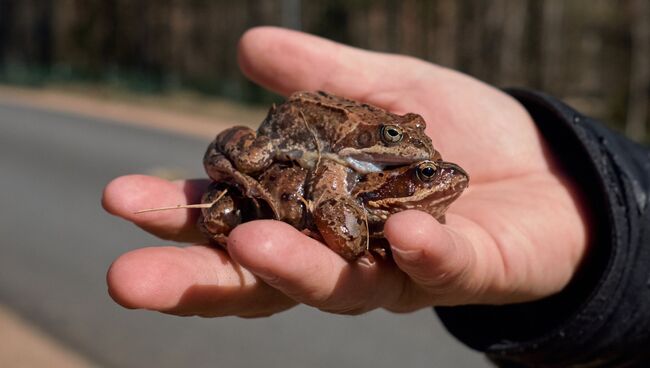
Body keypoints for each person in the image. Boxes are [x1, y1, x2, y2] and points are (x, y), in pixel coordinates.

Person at [101, 27, 650, 367]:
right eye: (394, 140)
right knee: (252, 163)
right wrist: (252, 190)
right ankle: (239, 175)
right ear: (370, 141)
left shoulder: (377, 161)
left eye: (410, 135)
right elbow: (331, 208)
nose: (408, 147)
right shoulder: (340, 162)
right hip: (278, 140)